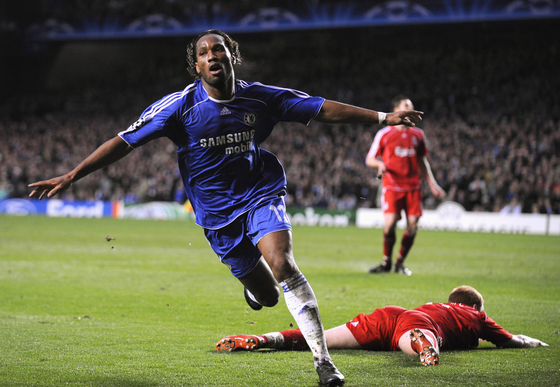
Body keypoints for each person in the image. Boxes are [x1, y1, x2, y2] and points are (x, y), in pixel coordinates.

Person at [27, 30, 424, 387]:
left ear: (232, 56)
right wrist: (71, 176)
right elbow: (123, 141)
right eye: (203, 52)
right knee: (267, 297)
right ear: (196, 65)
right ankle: (256, 291)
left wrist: (383, 117)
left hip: (259, 193)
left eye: (219, 48)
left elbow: (319, 109)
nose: (212, 55)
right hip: (216, 215)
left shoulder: (260, 97)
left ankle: (323, 363)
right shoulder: (178, 107)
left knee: (283, 263)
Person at [215, 285, 548, 367]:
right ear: (474, 306)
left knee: (320, 339)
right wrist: (535, 343)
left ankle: (263, 338)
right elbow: (511, 342)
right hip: (415, 323)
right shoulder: (476, 315)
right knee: (418, 335)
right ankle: (421, 344)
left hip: (388, 316)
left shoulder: (438, 304)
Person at [366, 96, 446, 276]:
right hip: (392, 186)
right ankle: (386, 262)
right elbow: (369, 158)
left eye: (411, 107)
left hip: (413, 187)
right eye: (406, 107)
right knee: (390, 225)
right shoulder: (384, 134)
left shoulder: (418, 134)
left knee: (412, 226)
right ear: (396, 111)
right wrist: (379, 164)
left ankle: (399, 263)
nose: (410, 111)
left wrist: (432, 184)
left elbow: (422, 161)